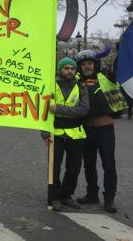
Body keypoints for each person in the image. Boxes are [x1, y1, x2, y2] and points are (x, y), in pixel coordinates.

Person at [75, 50, 128, 213]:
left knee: (109, 165)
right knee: (88, 165)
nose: (87, 66)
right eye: (83, 64)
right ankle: (92, 194)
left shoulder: (106, 77)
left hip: (105, 130)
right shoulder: (76, 83)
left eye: (90, 63)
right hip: (86, 130)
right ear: (80, 67)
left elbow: (119, 65)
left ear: (95, 64)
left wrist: (121, 46)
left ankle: (109, 198)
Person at [41, 57, 89, 211]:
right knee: (54, 167)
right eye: (66, 68)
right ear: (60, 69)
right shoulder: (50, 85)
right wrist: (44, 132)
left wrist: (59, 109)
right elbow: (43, 111)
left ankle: (66, 195)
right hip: (55, 132)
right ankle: (54, 196)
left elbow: (83, 110)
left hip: (76, 133)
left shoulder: (81, 86)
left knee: (74, 167)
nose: (69, 71)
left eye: (72, 69)